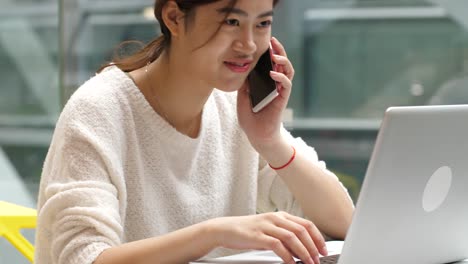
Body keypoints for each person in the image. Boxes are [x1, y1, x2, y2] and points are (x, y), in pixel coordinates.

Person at [34, 1, 354, 264]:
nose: (249, 45)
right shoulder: (100, 108)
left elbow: (345, 224)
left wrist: (271, 141)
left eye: (262, 24)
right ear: (174, 17)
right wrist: (212, 235)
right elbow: (84, 258)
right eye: (231, 22)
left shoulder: (234, 108)